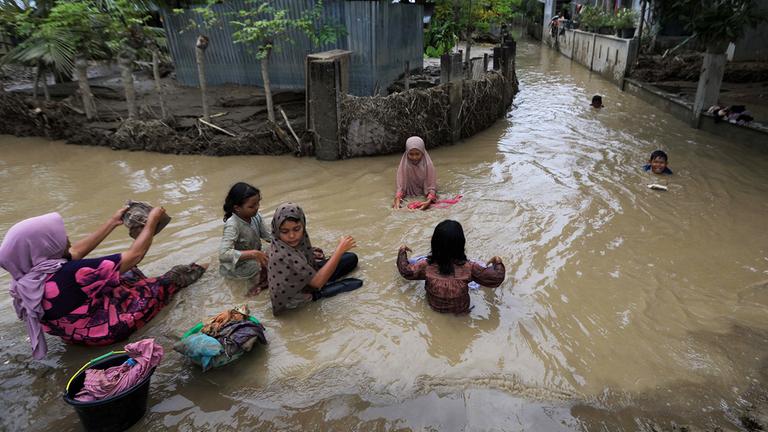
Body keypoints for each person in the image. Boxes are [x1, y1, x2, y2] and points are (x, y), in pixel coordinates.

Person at [0, 208, 207, 359]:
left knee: (125, 274)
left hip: (73, 334)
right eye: (59, 237)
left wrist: (112, 222)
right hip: (106, 332)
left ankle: (141, 292)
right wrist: (152, 222)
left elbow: (75, 253)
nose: (67, 238)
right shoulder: (72, 273)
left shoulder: (29, 276)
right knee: (170, 277)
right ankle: (205, 268)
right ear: (46, 246)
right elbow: (135, 255)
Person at [267, 202, 362, 316]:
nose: (292, 236)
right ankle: (317, 295)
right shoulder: (284, 255)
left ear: (303, 225)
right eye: (285, 231)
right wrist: (339, 250)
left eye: (296, 229)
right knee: (357, 283)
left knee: (351, 259)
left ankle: (326, 278)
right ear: (277, 230)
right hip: (297, 299)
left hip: (305, 278)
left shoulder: (285, 242)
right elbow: (317, 283)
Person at [397, 220, 506, 314]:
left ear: (434, 243)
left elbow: (406, 271)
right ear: (462, 244)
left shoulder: (425, 266)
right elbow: (496, 278)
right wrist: (497, 261)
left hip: (433, 309)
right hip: (461, 313)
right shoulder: (470, 268)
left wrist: (402, 251)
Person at [219, 182, 271, 294]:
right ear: (237, 208)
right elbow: (223, 255)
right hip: (237, 267)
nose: (257, 208)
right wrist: (254, 253)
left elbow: (269, 236)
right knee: (266, 279)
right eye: (252, 206)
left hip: (253, 260)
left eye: (258, 204)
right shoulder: (233, 224)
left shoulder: (256, 216)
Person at [393, 136, 437, 211]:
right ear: (407, 153)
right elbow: (401, 187)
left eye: (417, 154)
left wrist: (428, 201)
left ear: (422, 153)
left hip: (424, 193)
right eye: (411, 154)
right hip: (408, 195)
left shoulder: (428, 165)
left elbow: (432, 188)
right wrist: (397, 200)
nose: (414, 157)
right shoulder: (404, 165)